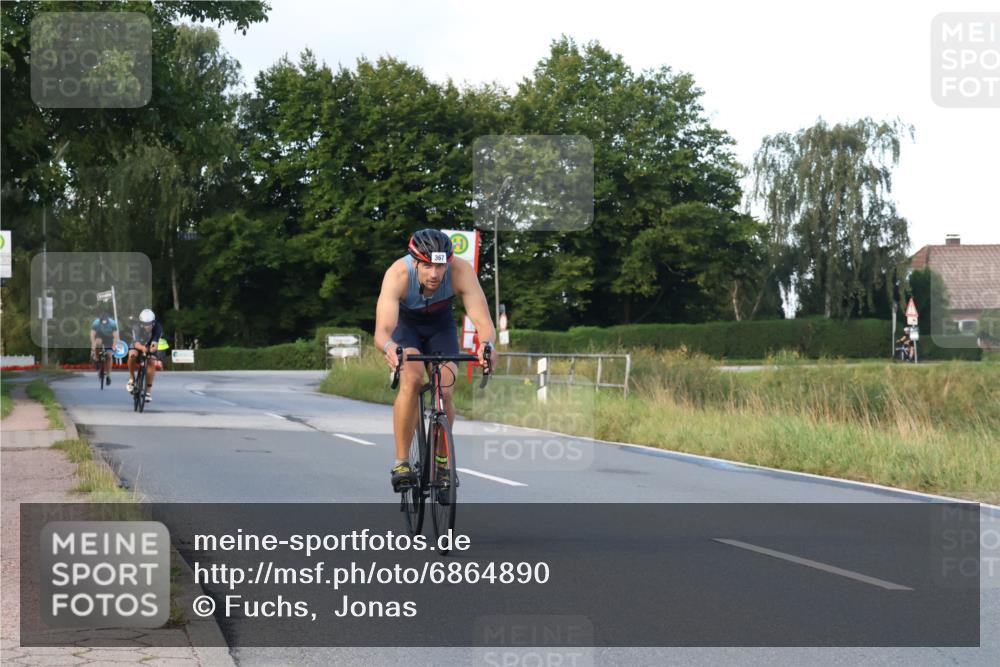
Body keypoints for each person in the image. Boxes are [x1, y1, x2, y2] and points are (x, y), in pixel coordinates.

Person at [374, 229, 498, 492]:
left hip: (440, 326)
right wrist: (390, 347)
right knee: (413, 379)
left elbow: (484, 322)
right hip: (406, 326)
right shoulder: (398, 274)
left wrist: (487, 345)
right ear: (415, 262)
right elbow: (382, 331)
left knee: (446, 387)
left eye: (440, 266)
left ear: (448, 262)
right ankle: (402, 462)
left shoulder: (461, 271)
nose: (434, 274)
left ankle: (442, 462)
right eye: (427, 265)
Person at [126, 308, 163, 402]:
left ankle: (148, 391)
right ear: (141, 323)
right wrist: (143, 348)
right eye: (145, 324)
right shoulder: (136, 327)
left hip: (150, 344)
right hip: (138, 344)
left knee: (151, 361)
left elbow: (155, 343)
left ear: (153, 322)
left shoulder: (158, 327)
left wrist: (151, 349)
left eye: (149, 323)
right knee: (132, 355)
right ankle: (131, 379)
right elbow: (136, 343)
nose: (147, 326)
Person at [89, 312, 119, 385]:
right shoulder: (96, 323)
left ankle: (108, 375)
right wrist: (93, 346)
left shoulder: (112, 323)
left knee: (109, 356)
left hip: (109, 338)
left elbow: (115, 336)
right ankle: (97, 358)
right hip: (99, 336)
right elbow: (92, 335)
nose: (104, 323)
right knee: (97, 342)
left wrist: (114, 345)